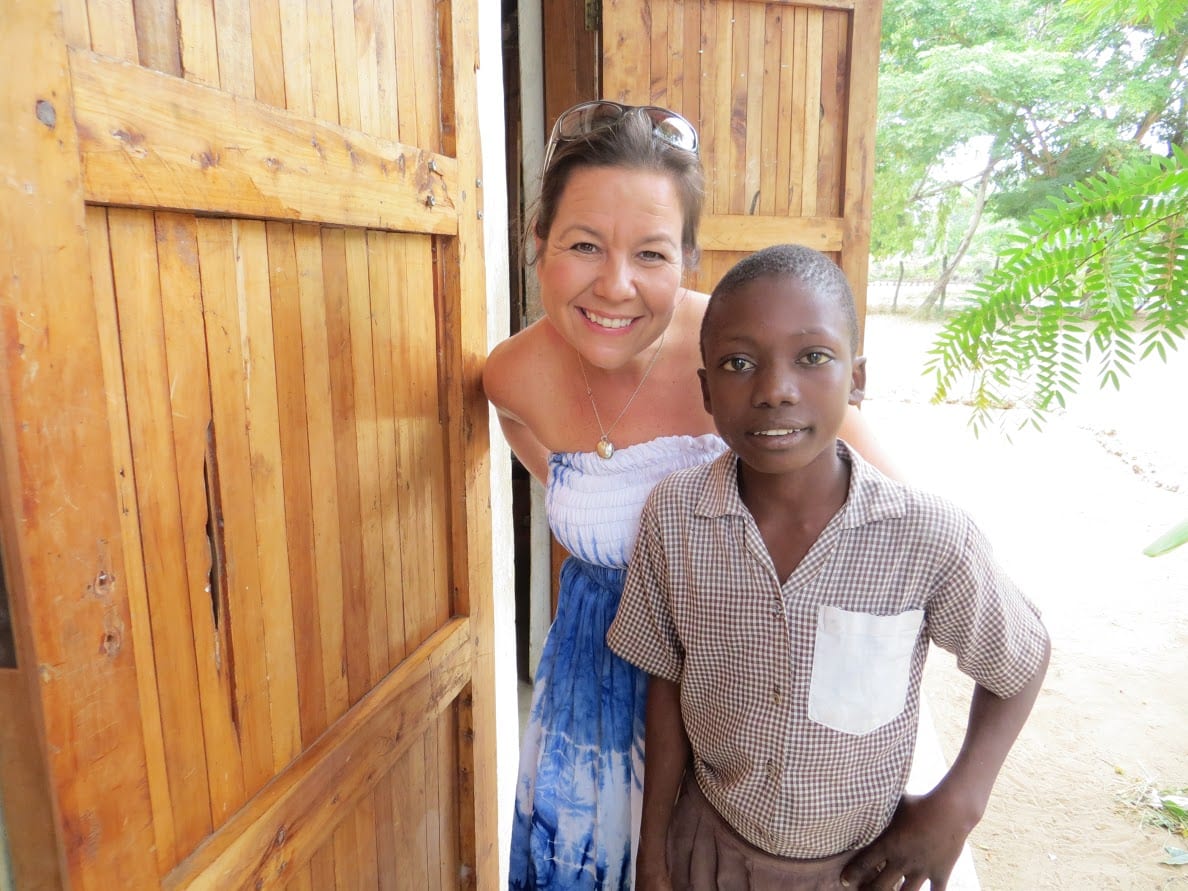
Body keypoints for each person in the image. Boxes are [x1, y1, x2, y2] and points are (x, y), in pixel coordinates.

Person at [484, 103, 892, 889]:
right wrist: (580, 499)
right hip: (588, 695)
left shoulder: (739, 359)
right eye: (582, 245)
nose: (616, 284)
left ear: (689, 258)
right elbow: (511, 424)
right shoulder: (513, 372)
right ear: (537, 246)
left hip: (739, 699)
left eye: (651, 252)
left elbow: (903, 517)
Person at [606, 243, 1051, 891]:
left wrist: (958, 803)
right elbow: (667, 684)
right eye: (738, 362)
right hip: (709, 847)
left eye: (813, 357)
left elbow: (1021, 656)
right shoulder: (674, 518)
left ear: (858, 378)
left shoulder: (925, 536)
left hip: (856, 870)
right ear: (706, 389)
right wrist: (652, 856)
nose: (775, 390)